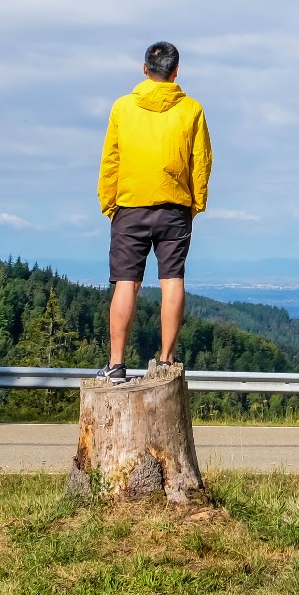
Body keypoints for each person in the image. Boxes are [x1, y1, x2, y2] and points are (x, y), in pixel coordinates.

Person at [98, 40, 212, 381]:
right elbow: (201, 163)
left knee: (125, 283)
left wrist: (109, 204)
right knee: (172, 280)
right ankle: (165, 360)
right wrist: (195, 204)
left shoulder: (122, 108)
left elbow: (111, 160)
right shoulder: (192, 109)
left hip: (129, 206)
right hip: (175, 206)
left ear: (144, 69)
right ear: (176, 72)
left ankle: (116, 364)